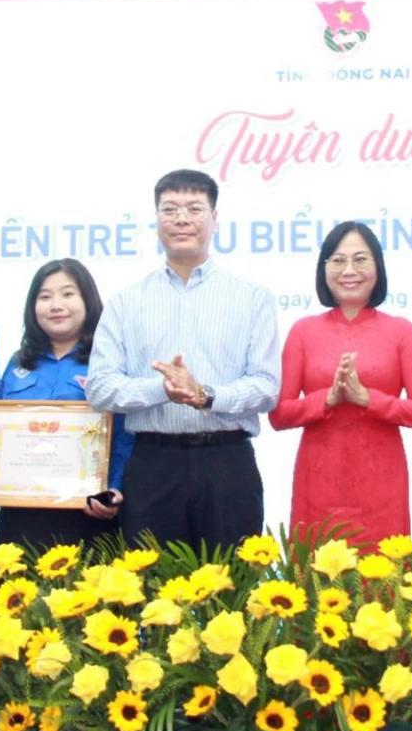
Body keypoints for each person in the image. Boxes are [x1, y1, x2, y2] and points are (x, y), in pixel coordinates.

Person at [86, 169, 279, 549]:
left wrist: (205, 395)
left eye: (194, 208)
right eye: (170, 209)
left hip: (227, 462)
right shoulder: (127, 301)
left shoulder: (252, 297)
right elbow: (100, 388)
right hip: (152, 465)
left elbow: (267, 387)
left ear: (215, 218)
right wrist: (162, 389)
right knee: (153, 592)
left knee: (233, 591)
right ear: (156, 220)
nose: (182, 219)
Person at [269, 222, 412, 547]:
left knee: (384, 588)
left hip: (381, 482)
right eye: (338, 260)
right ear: (324, 269)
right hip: (317, 480)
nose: (349, 270)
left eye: (360, 259)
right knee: (314, 590)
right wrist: (327, 399)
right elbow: (279, 415)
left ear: (377, 267)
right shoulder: (303, 331)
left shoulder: (401, 330)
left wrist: (368, 398)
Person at [0, 258, 134, 552]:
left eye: (67, 294)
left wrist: (113, 487)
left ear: (87, 300)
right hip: (22, 513)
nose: (56, 305)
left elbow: (125, 434)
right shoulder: (18, 363)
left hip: (88, 511)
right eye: (45, 297)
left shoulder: (110, 362)